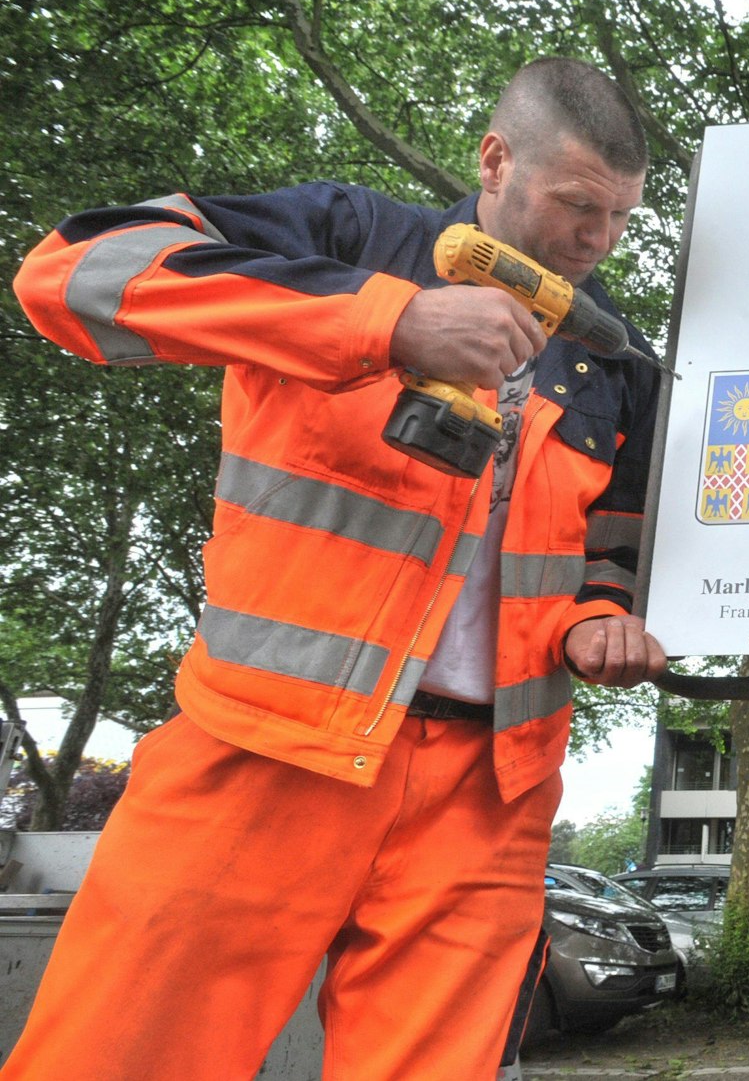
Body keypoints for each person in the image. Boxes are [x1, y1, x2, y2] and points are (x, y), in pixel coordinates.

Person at [5, 56, 667, 1079]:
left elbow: (610, 549)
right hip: (263, 751)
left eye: (621, 217)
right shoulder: (347, 238)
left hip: (489, 797)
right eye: (579, 205)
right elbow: (70, 272)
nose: (599, 240)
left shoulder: (612, 366)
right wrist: (385, 321)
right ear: (494, 160)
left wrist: (593, 622)